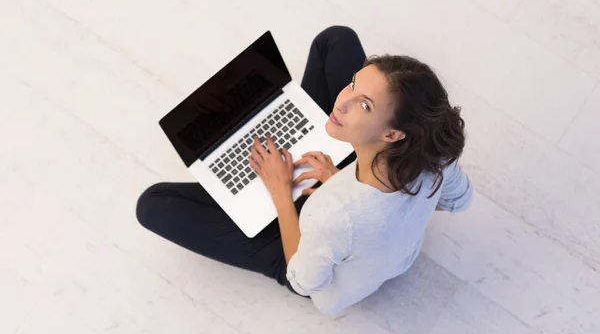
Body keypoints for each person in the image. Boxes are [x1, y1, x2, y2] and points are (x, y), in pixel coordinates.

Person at [136, 26, 473, 315]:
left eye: (365, 106)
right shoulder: (434, 152)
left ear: (391, 135)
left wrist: (281, 190)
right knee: (335, 40)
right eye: (354, 85)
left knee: (153, 204)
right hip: (367, 230)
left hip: (318, 266)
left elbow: (305, 280)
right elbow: (458, 202)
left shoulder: (333, 212)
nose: (343, 102)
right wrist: (373, 200)